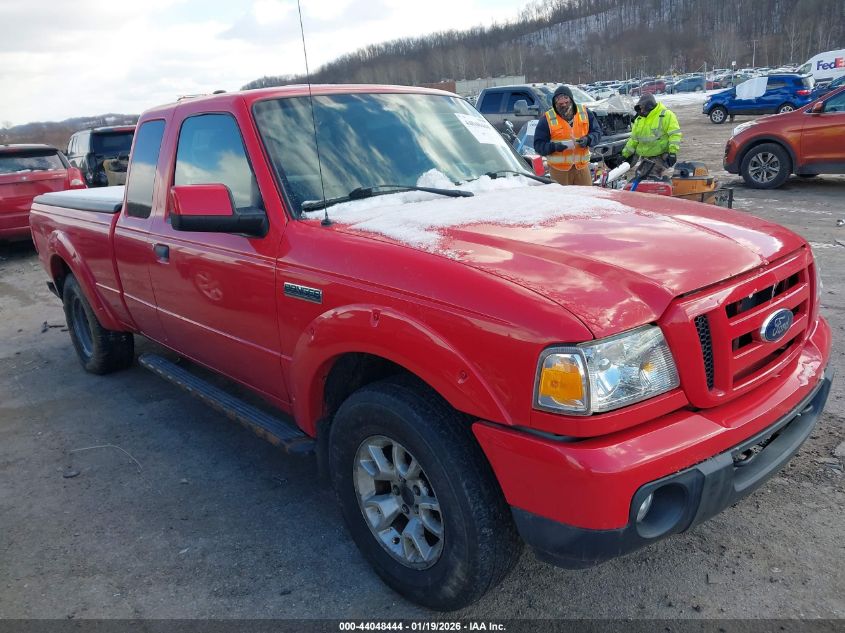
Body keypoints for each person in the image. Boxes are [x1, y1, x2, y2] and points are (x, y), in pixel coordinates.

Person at [533, 85, 603, 186]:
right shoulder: (547, 119)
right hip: (559, 171)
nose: (564, 105)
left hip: (582, 168)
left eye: (566, 100)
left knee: (585, 198)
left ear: (571, 100)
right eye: (560, 102)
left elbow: (597, 132)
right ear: (555, 102)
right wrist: (554, 147)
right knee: (563, 200)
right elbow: (538, 145)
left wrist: (588, 139)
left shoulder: (585, 112)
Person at [621, 94, 682, 180]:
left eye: (642, 107)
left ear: (649, 106)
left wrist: (672, 152)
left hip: (660, 156)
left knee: (650, 177)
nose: (641, 110)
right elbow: (633, 140)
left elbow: (674, 134)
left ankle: (655, 192)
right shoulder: (640, 119)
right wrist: (624, 155)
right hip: (645, 157)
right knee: (639, 177)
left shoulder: (666, 115)